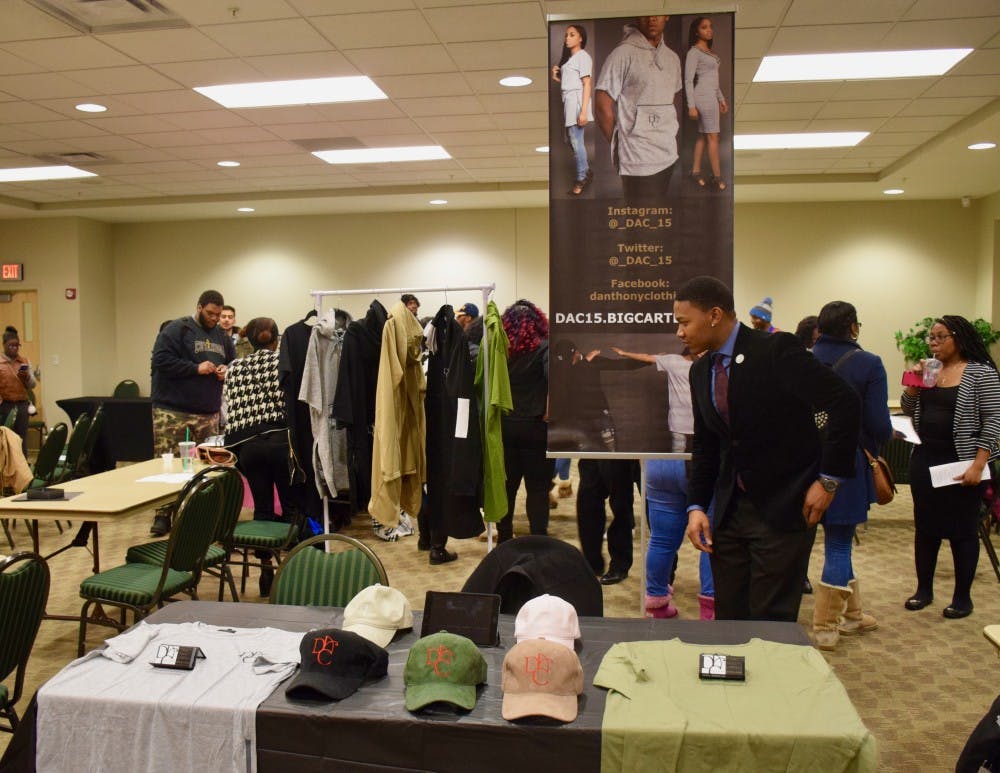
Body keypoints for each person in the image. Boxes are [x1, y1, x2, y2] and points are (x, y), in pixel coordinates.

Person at [678, 276, 860, 622]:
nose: (680, 333)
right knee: (730, 615)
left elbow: (844, 402)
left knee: (770, 620)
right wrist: (697, 505)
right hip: (730, 513)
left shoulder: (776, 351)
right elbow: (706, 443)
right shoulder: (701, 370)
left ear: (714, 315)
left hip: (783, 506)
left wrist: (829, 480)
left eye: (685, 322)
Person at [901, 315, 1000, 619]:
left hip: (963, 462)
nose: (933, 342)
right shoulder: (931, 370)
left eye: (941, 336)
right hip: (925, 459)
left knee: (963, 531)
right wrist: (914, 385)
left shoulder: (980, 373)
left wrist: (979, 463)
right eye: (931, 337)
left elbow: (994, 420)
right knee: (925, 528)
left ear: (959, 338)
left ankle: (962, 598)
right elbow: (908, 408)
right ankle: (924, 590)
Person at [810, 301, 892, 649]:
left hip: (802, 462)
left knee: (829, 543)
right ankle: (826, 626)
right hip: (847, 463)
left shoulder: (802, 360)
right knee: (840, 543)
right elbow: (878, 424)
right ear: (854, 328)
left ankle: (854, 615)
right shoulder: (868, 364)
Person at [611, 344, 715, 619]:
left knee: (660, 541)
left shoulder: (673, 361)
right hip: (704, 461)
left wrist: (622, 353)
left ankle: (656, 603)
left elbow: (645, 355)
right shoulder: (719, 368)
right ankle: (710, 610)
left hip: (663, 456)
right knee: (709, 540)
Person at [149, 289, 235, 535]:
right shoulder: (178, 329)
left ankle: (198, 514)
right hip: (173, 410)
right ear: (199, 307)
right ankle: (163, 514)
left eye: (218, 315)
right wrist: (195, 368)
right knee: (169, 464)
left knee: (204, 467)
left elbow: (230, 363)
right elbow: (161, 361)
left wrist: (224, 371)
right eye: (210, 313)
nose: (214, 319)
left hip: (208, 412)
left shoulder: (222, 337)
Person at [223, 317, 294, 597]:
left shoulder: (234, 368)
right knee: (290, 508)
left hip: (249, 446)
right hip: (280, 443)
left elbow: (232, 410)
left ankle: (266, 572)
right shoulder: (282, 362)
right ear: (277, 339)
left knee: (263, 511)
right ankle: (291, 571)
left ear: (248, 341)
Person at [595, 15, 682, 202]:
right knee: (641, 228)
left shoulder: (672, 58)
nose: (652, 19)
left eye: (657, 13)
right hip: (638, 159)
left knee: (664, 225)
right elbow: (602, 105)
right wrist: (621, 143)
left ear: (666, 16)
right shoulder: (622, 54)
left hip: (669, 154)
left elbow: (670, 100)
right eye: (646, 13)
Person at [497, 300, 554, 543]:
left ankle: (504, 537)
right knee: (538, 489)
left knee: (507, 489)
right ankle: (539, 539)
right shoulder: (545, 348)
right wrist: (549, 411)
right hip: (536, 427)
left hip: (506, 426)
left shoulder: (500, 350)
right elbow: (554, 381)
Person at [685, 16, 728, 191]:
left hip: (712, 95)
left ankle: (695, 171)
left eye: (710, 27)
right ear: (696, 31)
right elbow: (688, 80)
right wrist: (691, 105)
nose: (709, 30)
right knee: (713, 137)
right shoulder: (694, 52)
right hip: (702, 96)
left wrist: (722, 99)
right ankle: (717, 177)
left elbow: (714, 80)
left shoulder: (710, 53)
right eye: (704, 27)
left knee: (703, 135)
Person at [552, 24, 594, 196]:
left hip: (576, 102)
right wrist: (556, 77)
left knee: (576, 141)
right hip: (568, 101)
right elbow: (569, 84)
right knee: (570, 140)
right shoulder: (570, 60)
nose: (567, 38)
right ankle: (586, 171)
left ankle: (582, 177)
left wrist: (583, 111)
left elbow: (586, 84)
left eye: (572, 35)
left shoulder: (583, 56)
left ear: (580, 38)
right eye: (566, 35)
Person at [0, 326, 36, 454]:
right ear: (4, 345)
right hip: (5, 406)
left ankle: (23, 471)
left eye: (17, 346)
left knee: (22, 440)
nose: (15, 348)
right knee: (8, 441)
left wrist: (26, 377)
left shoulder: (24, 362)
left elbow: (32, 385)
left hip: (22, 405)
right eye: (11, 346)